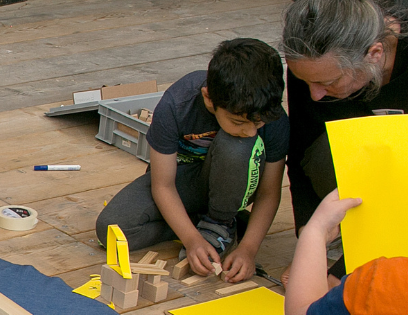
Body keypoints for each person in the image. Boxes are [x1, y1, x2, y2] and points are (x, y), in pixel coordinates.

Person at [95, 39, 288, 283]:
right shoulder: (177, 104)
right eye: (238, 122)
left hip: (237, 180)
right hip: (182, 182)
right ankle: (204, 222)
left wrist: (248, 248)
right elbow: (163, 185)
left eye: (258, 123)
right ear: (208, 98)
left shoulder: (270, 114)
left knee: (237, 145)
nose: (251, 131)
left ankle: (220, 221)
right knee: (111, 230)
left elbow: (268, 193)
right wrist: (192, 239)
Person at [282, 0, 408, 237]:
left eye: (329, 82)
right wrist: (311, 235)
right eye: (305, 81)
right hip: (359, 175)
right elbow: (301, 152)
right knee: (321, 154)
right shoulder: (312, 68)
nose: (315, 95)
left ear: (374, 53)